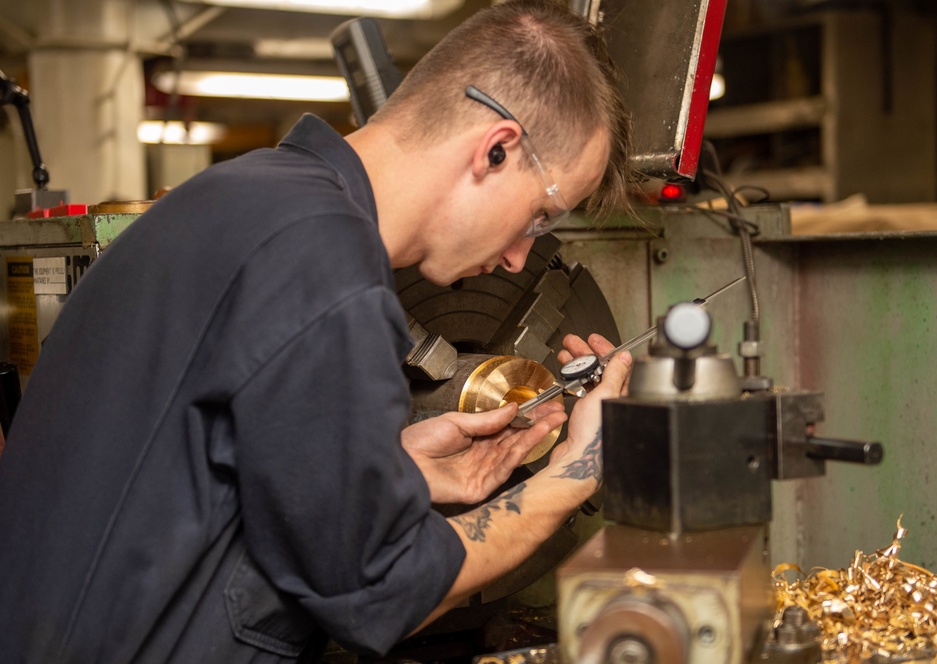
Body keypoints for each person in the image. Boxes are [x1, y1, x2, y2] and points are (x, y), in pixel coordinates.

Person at [0, 0, 634, 661]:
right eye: (540, 217)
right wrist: (574, 471)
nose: (518, 258)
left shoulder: (246, 199)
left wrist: (391, 473)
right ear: (496, 148)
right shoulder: (325, 261)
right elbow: (379, 589)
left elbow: (192, 484)